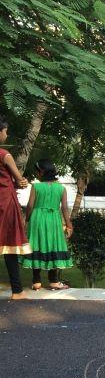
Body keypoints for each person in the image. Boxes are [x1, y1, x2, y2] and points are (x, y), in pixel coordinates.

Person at [21, 159, 73, 290]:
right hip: (54, 220)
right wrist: (69, 224)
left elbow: (31, 205)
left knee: (36, 244)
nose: (36, 174)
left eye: (37, 171)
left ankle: (36, 281)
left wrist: (26, 219)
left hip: (37, 219)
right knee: (53, 246)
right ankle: (54, 281)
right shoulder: (61, 188)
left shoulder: (36, 186)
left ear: (41, 172)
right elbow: (65, 208)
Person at [0, 118, 30, 299]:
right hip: (5, 203)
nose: (6, 134)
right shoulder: (4, 154)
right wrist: (21, 182)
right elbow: (20, 180)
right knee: (10, 246)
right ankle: (17, 291)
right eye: (4, 131)